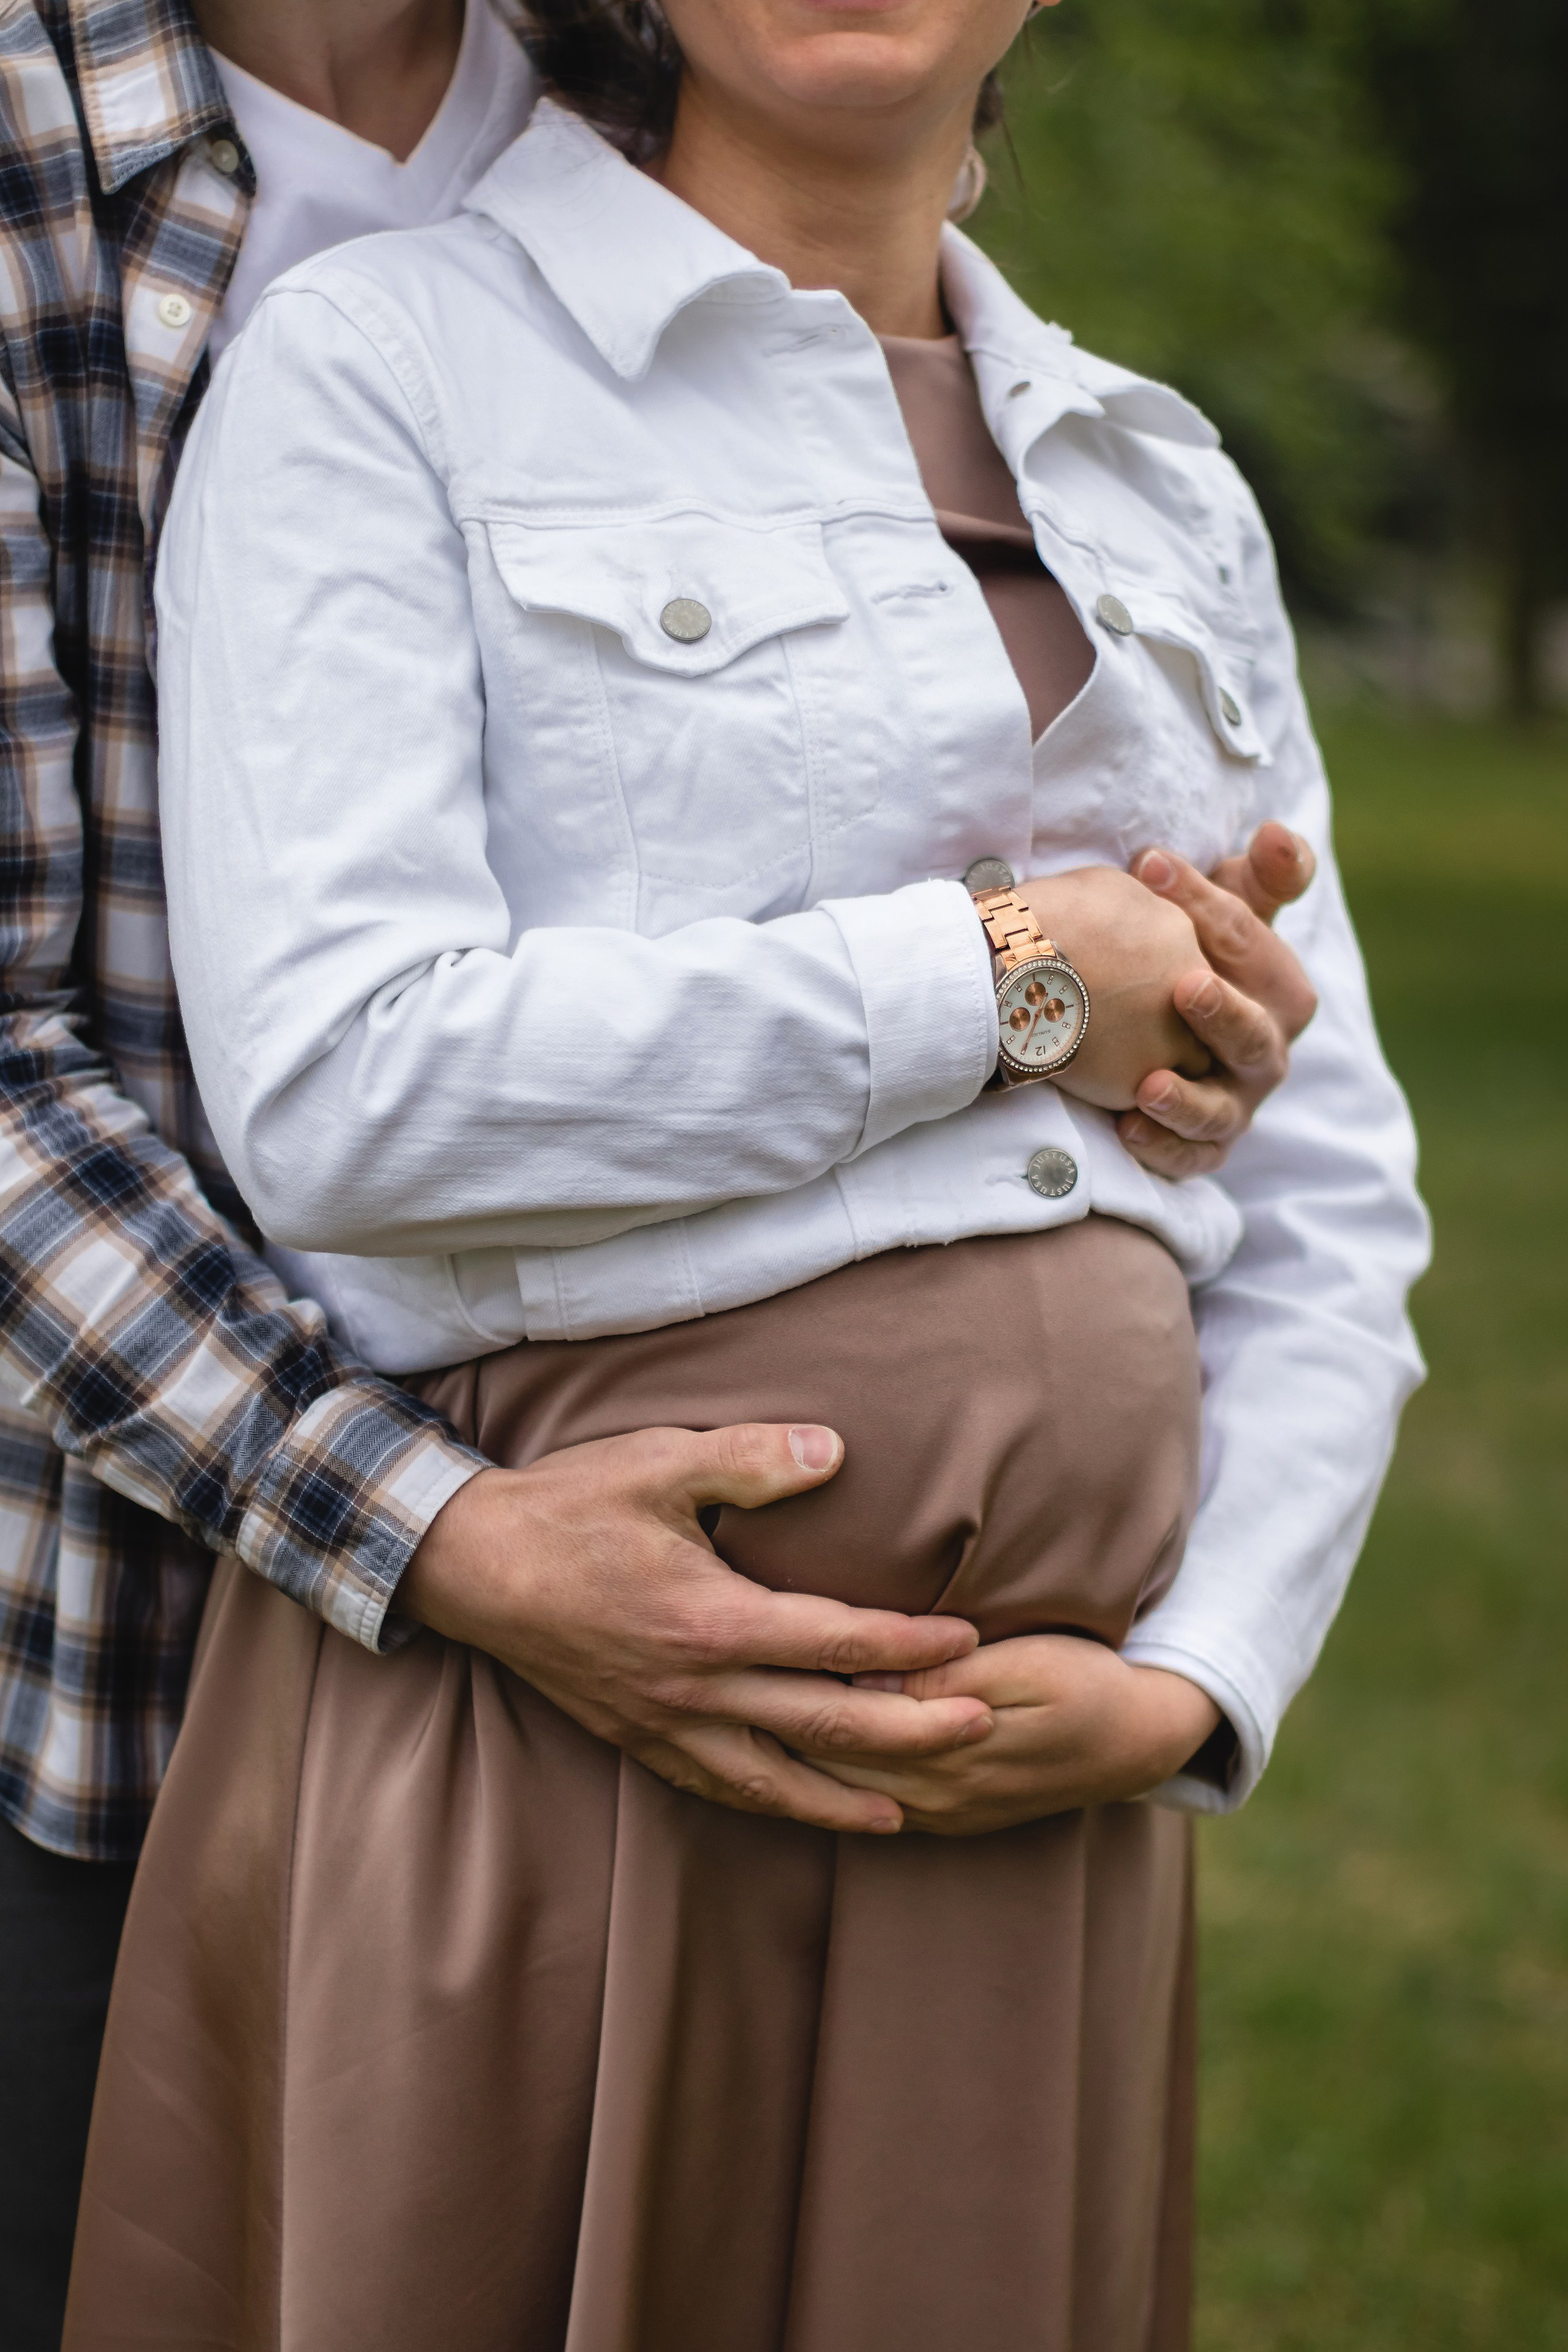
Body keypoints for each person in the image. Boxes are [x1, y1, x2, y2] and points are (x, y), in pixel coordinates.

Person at [62, 0, 1427, 2343]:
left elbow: (1333, 1199)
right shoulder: (384, 367)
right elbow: (349, 1087)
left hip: (1036, 1803)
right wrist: (1003, 979)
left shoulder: (1163, 485)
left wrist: (1200, 1683)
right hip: (546, 1739)